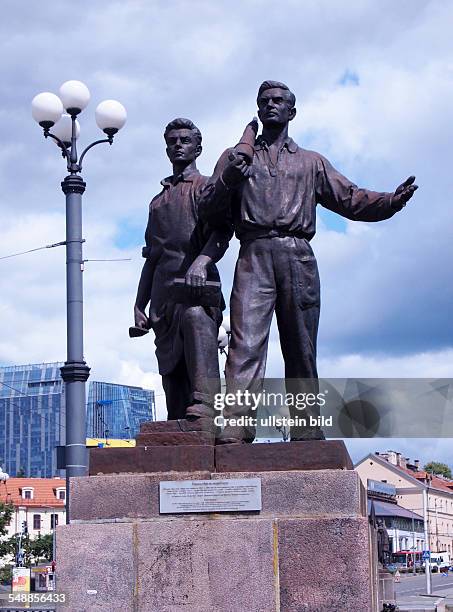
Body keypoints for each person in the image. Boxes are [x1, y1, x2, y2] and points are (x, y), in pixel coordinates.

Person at [199, 80, 418, 443]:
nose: (271, 105)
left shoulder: (310, 162)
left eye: (279, 101)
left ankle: (305, 425)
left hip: (297, 254)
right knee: (245, 343)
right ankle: (236, 423)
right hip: (253, 254)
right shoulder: (236, 157)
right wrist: (228, 178)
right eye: (264, 101)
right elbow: (208, 207)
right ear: (257, 109)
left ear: (292, 112)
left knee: (301, 347)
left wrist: (390, 202)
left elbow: (350, 198)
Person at [133, 118, 230, 424]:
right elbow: (152, 257)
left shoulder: (205, 188)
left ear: (198, 148)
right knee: (173, 381)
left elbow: (221, 233)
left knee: (196, 320)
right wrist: (139, 304)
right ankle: (179, 430)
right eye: (173, 140)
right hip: (164, 298)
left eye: (185, 140)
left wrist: (201, 262)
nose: (178, 145)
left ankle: (208, 405)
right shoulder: (158, 201)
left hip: (199, 293)